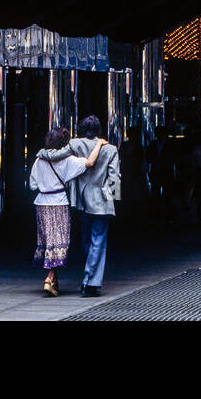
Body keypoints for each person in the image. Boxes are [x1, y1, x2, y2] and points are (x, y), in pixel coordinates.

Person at [30, 127, 105, 295]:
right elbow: (89, 162)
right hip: (59, 203)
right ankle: (49, 278)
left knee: (49, 242)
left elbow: (32, 185)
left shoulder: (39, 160)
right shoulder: (68, 160)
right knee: (59, 242)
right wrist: (99, 144)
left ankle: (53, 280)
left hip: (41, 203)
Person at [68, 116, 120, 296]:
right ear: (99, 130)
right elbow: (114, 177)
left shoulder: (75, 145)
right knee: (98, 239)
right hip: (102, 199)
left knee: (85, 239)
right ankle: (91, 282)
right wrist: (115, 199)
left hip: (82, 199)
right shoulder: (111, 149)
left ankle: (88, 276)